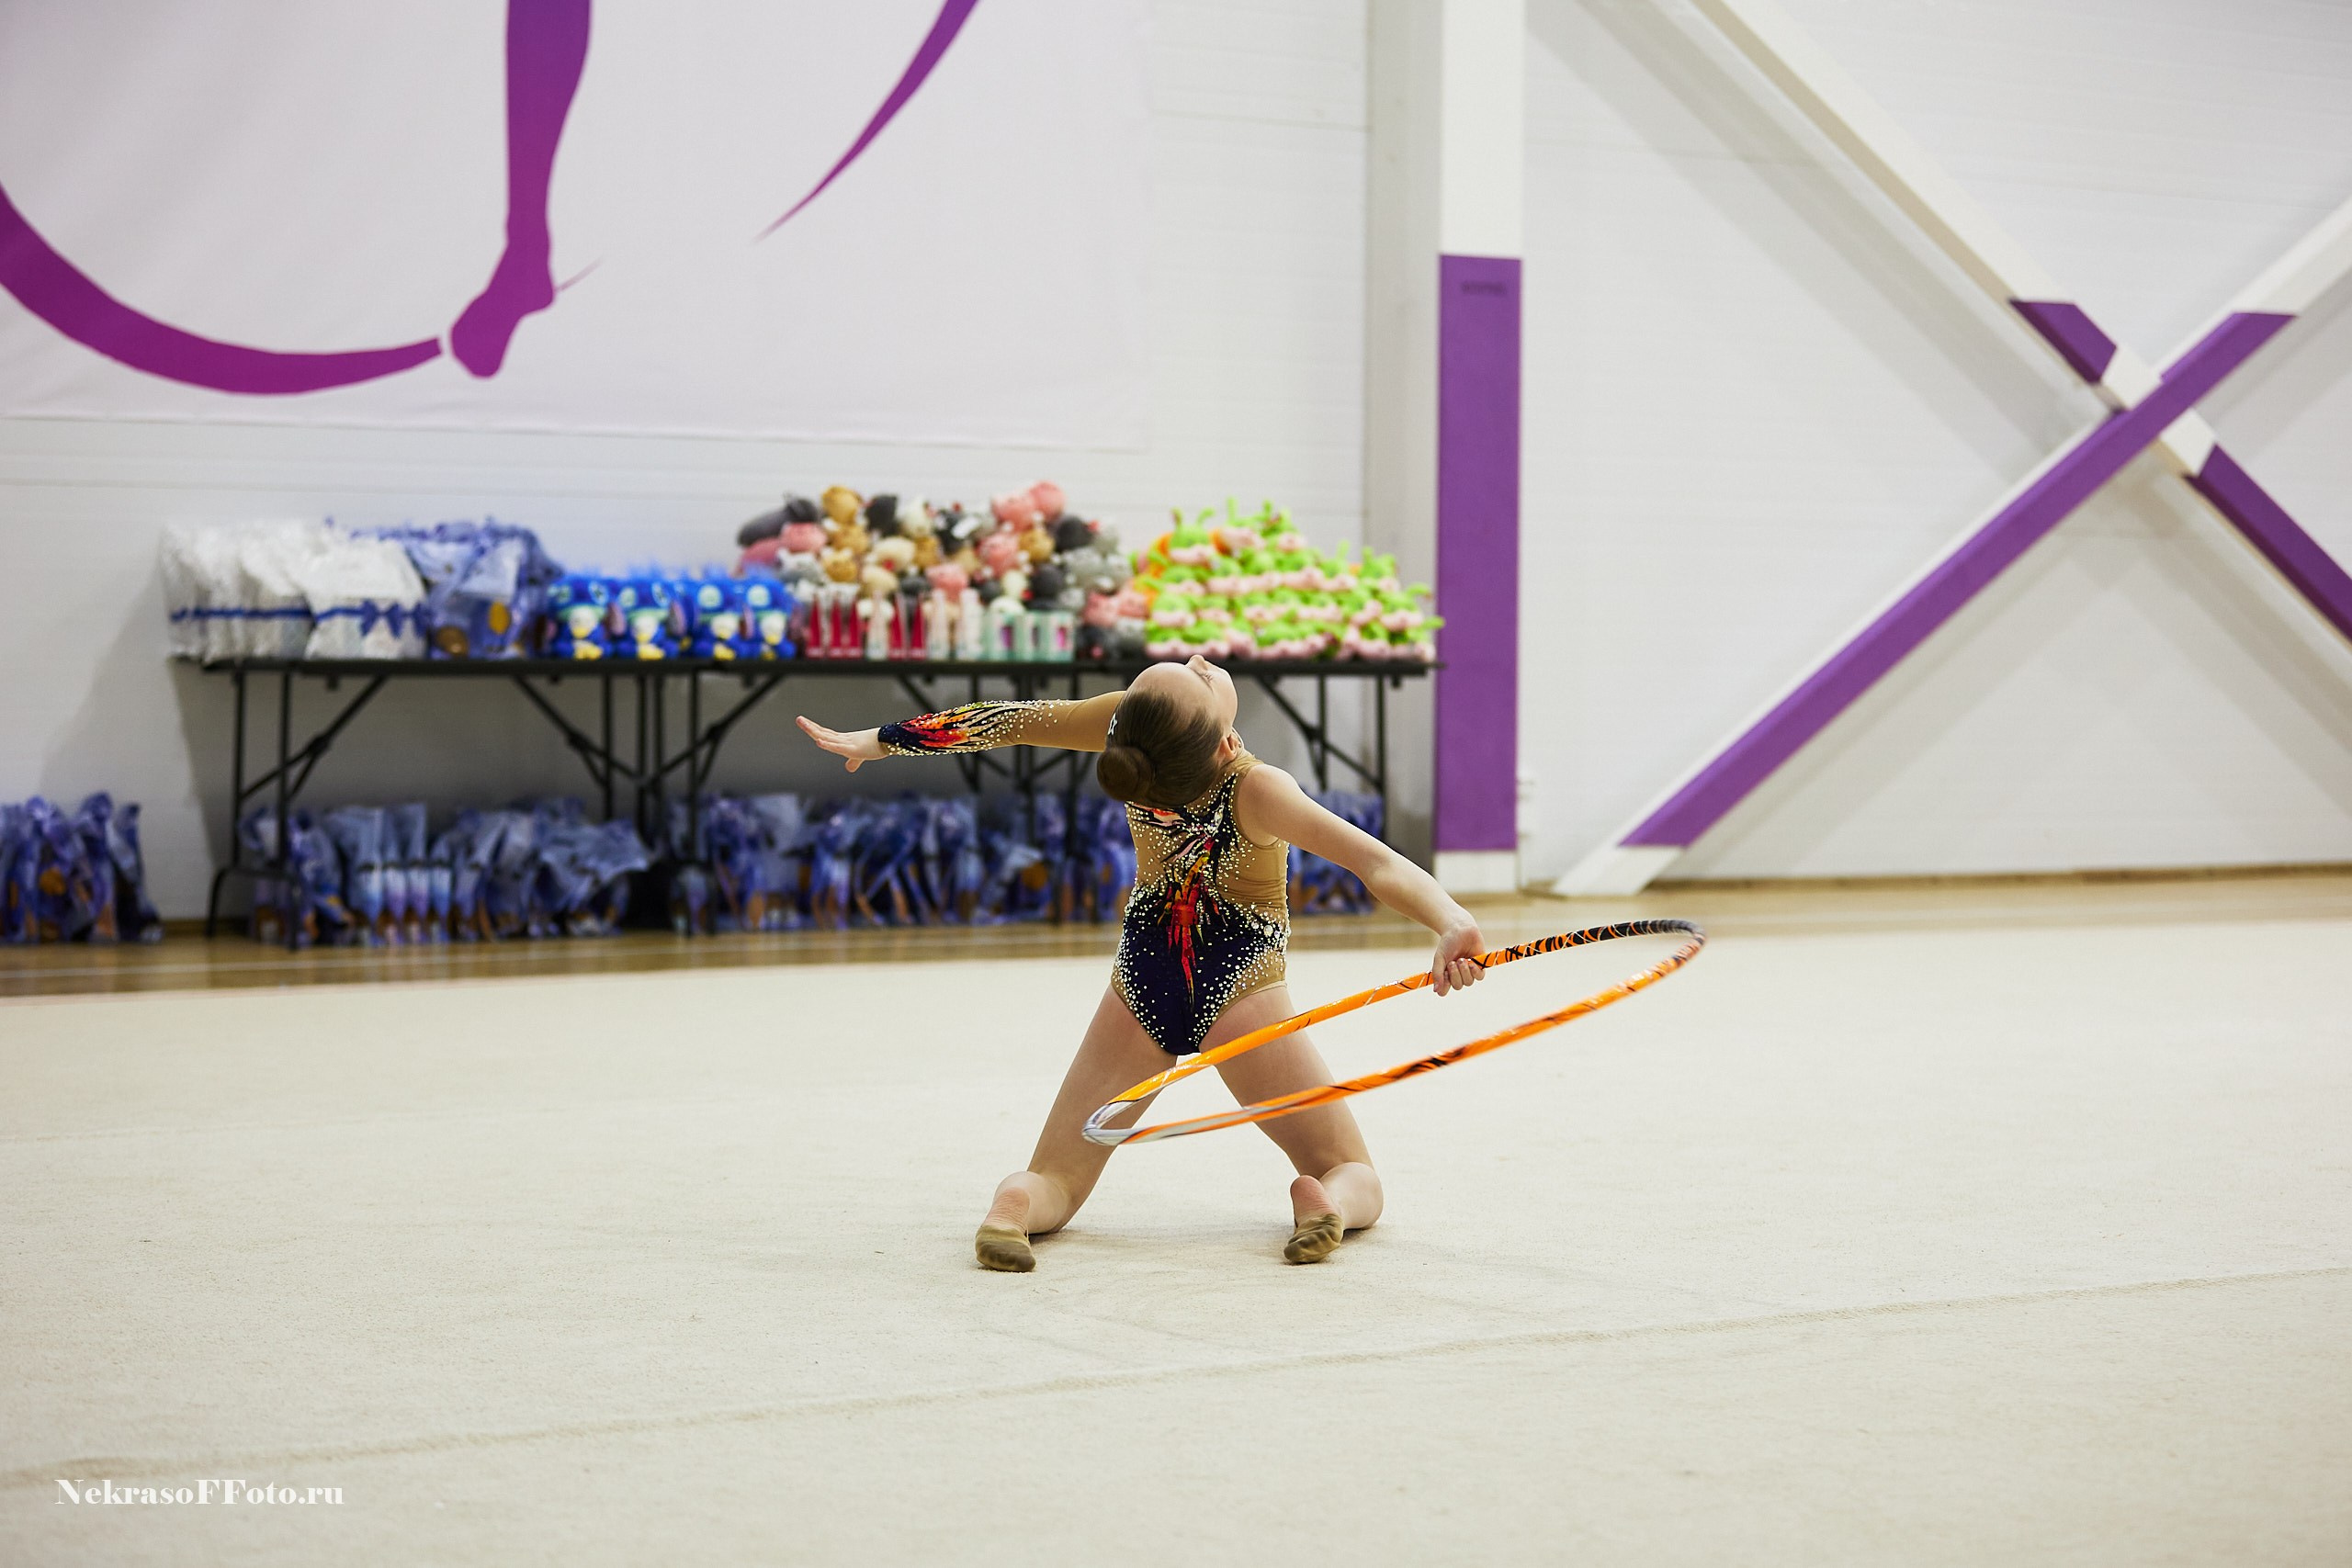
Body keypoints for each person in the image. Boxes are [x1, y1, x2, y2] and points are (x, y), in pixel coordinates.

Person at [796, 656, 1487, 1270]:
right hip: (1238, 983)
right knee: (1350, 1167)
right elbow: (1375, 862)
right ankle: (1324, 1198)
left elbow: (1001, 719)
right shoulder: (1258, 786)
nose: (1201, 658)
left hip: (1143, 978)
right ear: (1228, 741)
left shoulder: (1128, 735)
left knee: (1058, 1182)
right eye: (1198, 676)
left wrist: (884, 740)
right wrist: (1451, 919)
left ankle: (1018, 1199)